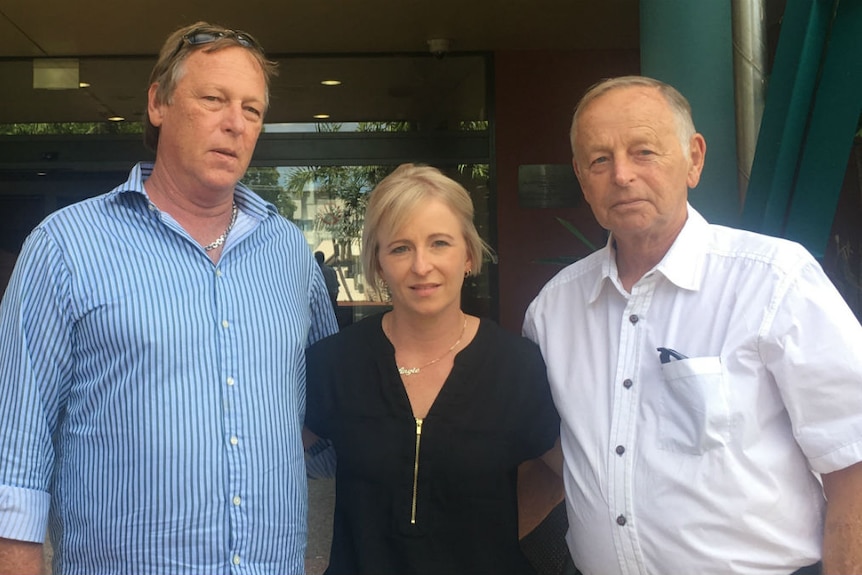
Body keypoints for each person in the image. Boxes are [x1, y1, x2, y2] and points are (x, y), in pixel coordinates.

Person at [0, 22, 338, 575]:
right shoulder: (66, 247)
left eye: (252, 110)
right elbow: (14, 449)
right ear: (158, 102)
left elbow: (329, 406)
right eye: (214, 100)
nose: (235, 124)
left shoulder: (288, 252)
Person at [523, 75, 862, 575]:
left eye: (643, 151)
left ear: (694, 158)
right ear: (580, 176)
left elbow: (851, 463)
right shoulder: (553, 310)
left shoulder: (774, 281)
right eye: (599, 159)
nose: (621, 175)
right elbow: (559, 460)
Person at [304, 163, 562, 574]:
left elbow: (562, 473)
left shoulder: (517, 366)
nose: (421, 266)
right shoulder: (336, 362)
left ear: (469, 254)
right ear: (379, 262)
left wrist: (484, 542)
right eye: (400, 248)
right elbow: (267, 460)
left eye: (439, 243)